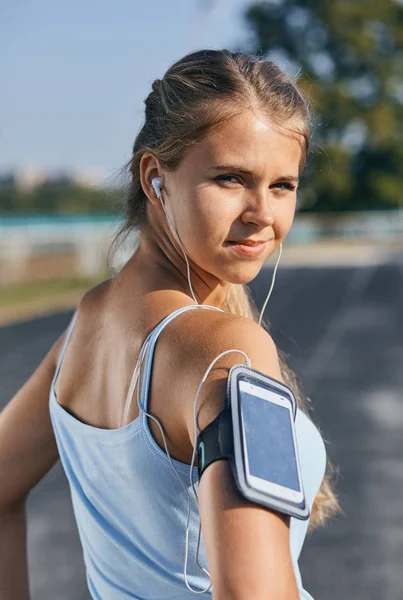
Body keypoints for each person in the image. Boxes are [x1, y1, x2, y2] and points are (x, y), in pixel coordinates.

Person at [0, 49, 340, 599]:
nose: (263, 213)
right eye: (231, 178)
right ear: (156, 177)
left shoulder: (84, 330)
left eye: (283, 185)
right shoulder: (231, 350)